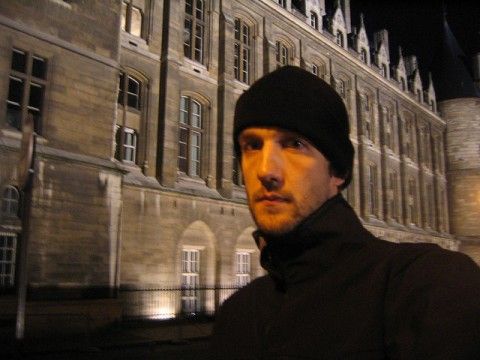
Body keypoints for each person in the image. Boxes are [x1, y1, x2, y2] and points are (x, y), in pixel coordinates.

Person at [211, 66, 480, 359]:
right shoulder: (236, 315)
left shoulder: (429, 286)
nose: (265, 170)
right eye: (252, 146)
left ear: (337, 170)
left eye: (294, 144)